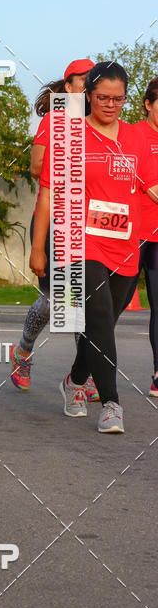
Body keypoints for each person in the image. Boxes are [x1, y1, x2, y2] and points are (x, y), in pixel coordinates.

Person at [30, 61, 158, 434]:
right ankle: (112, 403)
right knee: (99, 315)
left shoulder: (136, 138)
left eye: (118, 99)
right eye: (102, 97)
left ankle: (74, 379)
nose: (110, 104)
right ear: (87, 95)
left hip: (125, 245)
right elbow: (48, 195)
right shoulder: (69, 134)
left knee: (98, 326)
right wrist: (39, 248)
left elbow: (151, 188)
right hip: (78, 241)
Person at [10, 58, 98, 398]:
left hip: (87, 224)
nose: (89, 86)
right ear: (68, 87)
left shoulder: (101, 125)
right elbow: (35, 168)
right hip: (54, 220)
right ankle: (23, 351)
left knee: (84, 301)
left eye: (94, 80)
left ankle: (83, 373)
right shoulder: (55, 120)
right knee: (54, 299)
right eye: (83, 80)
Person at [132, 78, 158, 395]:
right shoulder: (132, 135)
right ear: (148, 104)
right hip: (131, 234)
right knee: (112, 305)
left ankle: (157, 373)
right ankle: (90, 371)